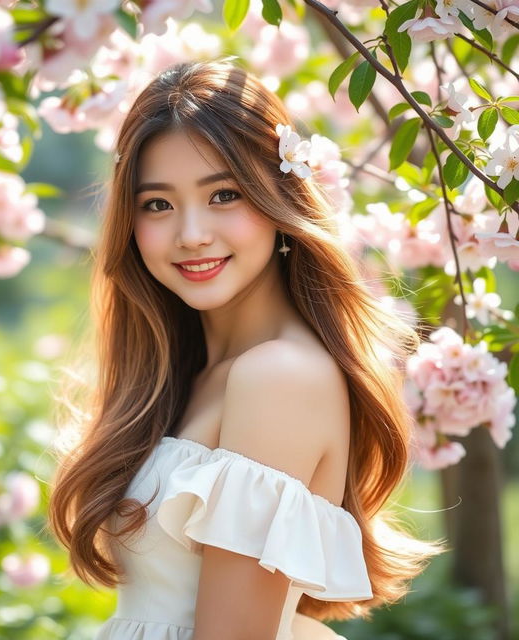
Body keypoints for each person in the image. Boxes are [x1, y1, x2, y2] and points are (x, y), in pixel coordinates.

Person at [47, 59, 445, 640]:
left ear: (279, 196)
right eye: (157, 203)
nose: (191, 234)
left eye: (224, 195)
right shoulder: (186, 374)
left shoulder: (278, 377)